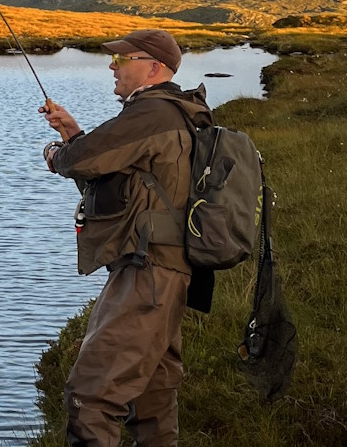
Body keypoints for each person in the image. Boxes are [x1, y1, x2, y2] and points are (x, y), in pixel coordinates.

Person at [39, 29, 213, 447]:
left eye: (122, 59)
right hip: (168, 275)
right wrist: (75, 133)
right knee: (153, 402)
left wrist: (57, 152)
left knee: (91, 397)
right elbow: (120, 186)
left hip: (146, 277)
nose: (112, 66)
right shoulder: (178, 113)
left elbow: (79, 161)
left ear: (153, 67)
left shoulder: (150, 115)